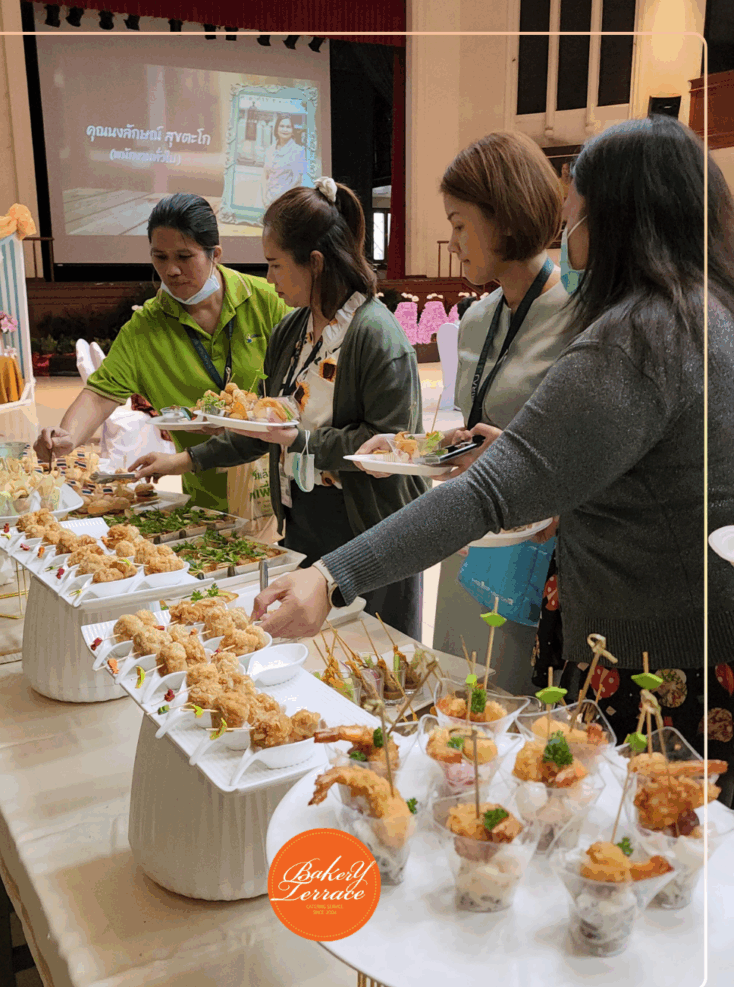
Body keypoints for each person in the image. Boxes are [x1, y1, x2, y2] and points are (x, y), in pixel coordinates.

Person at [253, 117, 734, 801]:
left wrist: (333, 576)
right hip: (704, 628)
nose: (567, 238)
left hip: (651, 652)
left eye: (575, 216)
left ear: (619, 221)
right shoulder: (710, 312)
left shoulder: (637, 335)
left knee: (628, 831)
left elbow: (486, 495)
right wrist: (531, 455)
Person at [132, 177, 427, 638]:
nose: (267, 279)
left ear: (315, 263)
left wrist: (302, 440)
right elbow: (264, 427)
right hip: (305, 525)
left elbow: (392, 452)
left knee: (370, 673)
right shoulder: (292, 330)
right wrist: (183, 459)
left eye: (274, 264)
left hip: (370, 539)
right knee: (308, 661)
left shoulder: (376, 336)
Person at [356, 130, 575, 692]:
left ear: (504, 217)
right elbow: (471, 435)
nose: (451, 241)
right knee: (454, 693)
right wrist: (408, 449)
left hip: (536, 554)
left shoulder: (580, 316)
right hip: (471, 537)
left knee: (513, 706)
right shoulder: (477, 319)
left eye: (459, 224)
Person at [34, 194, 290, 511]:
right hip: (208, 497)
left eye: (184, 256)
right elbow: (99, 396)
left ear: (215, 255)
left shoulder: (267, 301)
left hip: (288, 485)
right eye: (160, 256)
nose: (171, 270)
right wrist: (66, 438)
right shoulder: (145, 328)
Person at [260, 116, 308, 208]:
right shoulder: (270, 149)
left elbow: (297, 181)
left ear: (293, 131)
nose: (285, 129)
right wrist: (264, 198)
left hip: (285, 201)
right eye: (282, 126)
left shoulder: (298, 151)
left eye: (288, 127)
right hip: (266, 199)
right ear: (277, 129)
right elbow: (265, 175)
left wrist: (281, 200)